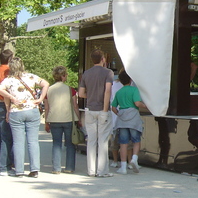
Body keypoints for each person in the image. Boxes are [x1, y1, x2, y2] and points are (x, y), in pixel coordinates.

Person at [0, 57, 49, 178]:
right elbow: (46, 84)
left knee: (18, 142)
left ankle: (19, 170)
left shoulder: (8, 80)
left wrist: (11, 98)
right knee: (33, 141)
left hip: (16, 111)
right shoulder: (31, 77)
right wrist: (40, 99)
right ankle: (34, 169)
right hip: (32, 109)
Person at [78, 49, 114, 177]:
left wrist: (91, 95)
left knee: (91, 141)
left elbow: (81, 94)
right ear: (103, 59)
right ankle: (102, 171)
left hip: (90, 109)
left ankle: (91, 170)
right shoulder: (108, 72)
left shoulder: (86, 74)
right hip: (102, 109)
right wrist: (105, 109)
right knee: (103, 141)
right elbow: (108, 91)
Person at [44, 66, 80, 174]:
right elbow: (75, 105)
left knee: (56, 143)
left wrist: (46, 121)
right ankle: (69, 167)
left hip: (54, 119)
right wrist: (78, 118)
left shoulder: (48, 90)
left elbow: (46, 107)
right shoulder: (70, 89)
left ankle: (56, 168)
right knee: (70, 143)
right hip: (68, 119)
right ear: (63, 76)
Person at [111, 70, 145, 174]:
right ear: (131, 80)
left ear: (120, 81)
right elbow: (137, 103)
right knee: (136, 140)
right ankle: (134, 159)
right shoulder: (134, 90)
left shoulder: (119, 92)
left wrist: (119, 114)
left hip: (122, 120)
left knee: (123, 143)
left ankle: (123, 167)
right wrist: (147, 106)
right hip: (133, 118)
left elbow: (113, 108)